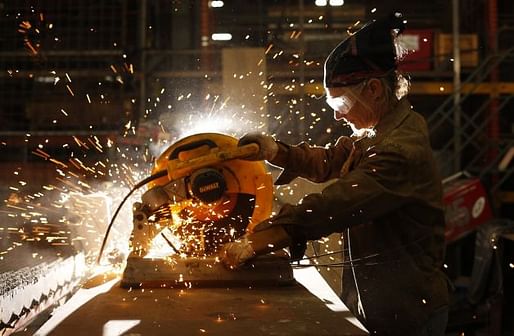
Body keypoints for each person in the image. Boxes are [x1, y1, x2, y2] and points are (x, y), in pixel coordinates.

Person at [220, 12, 449, 336]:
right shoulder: (380, 131)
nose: (337, 116)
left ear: (373, 90)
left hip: (406, 314)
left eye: (339, 102)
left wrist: (263, 237)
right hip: (377, 301)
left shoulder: (399, 150)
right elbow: (331, 159)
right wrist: (275, 151)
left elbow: (338, 205)